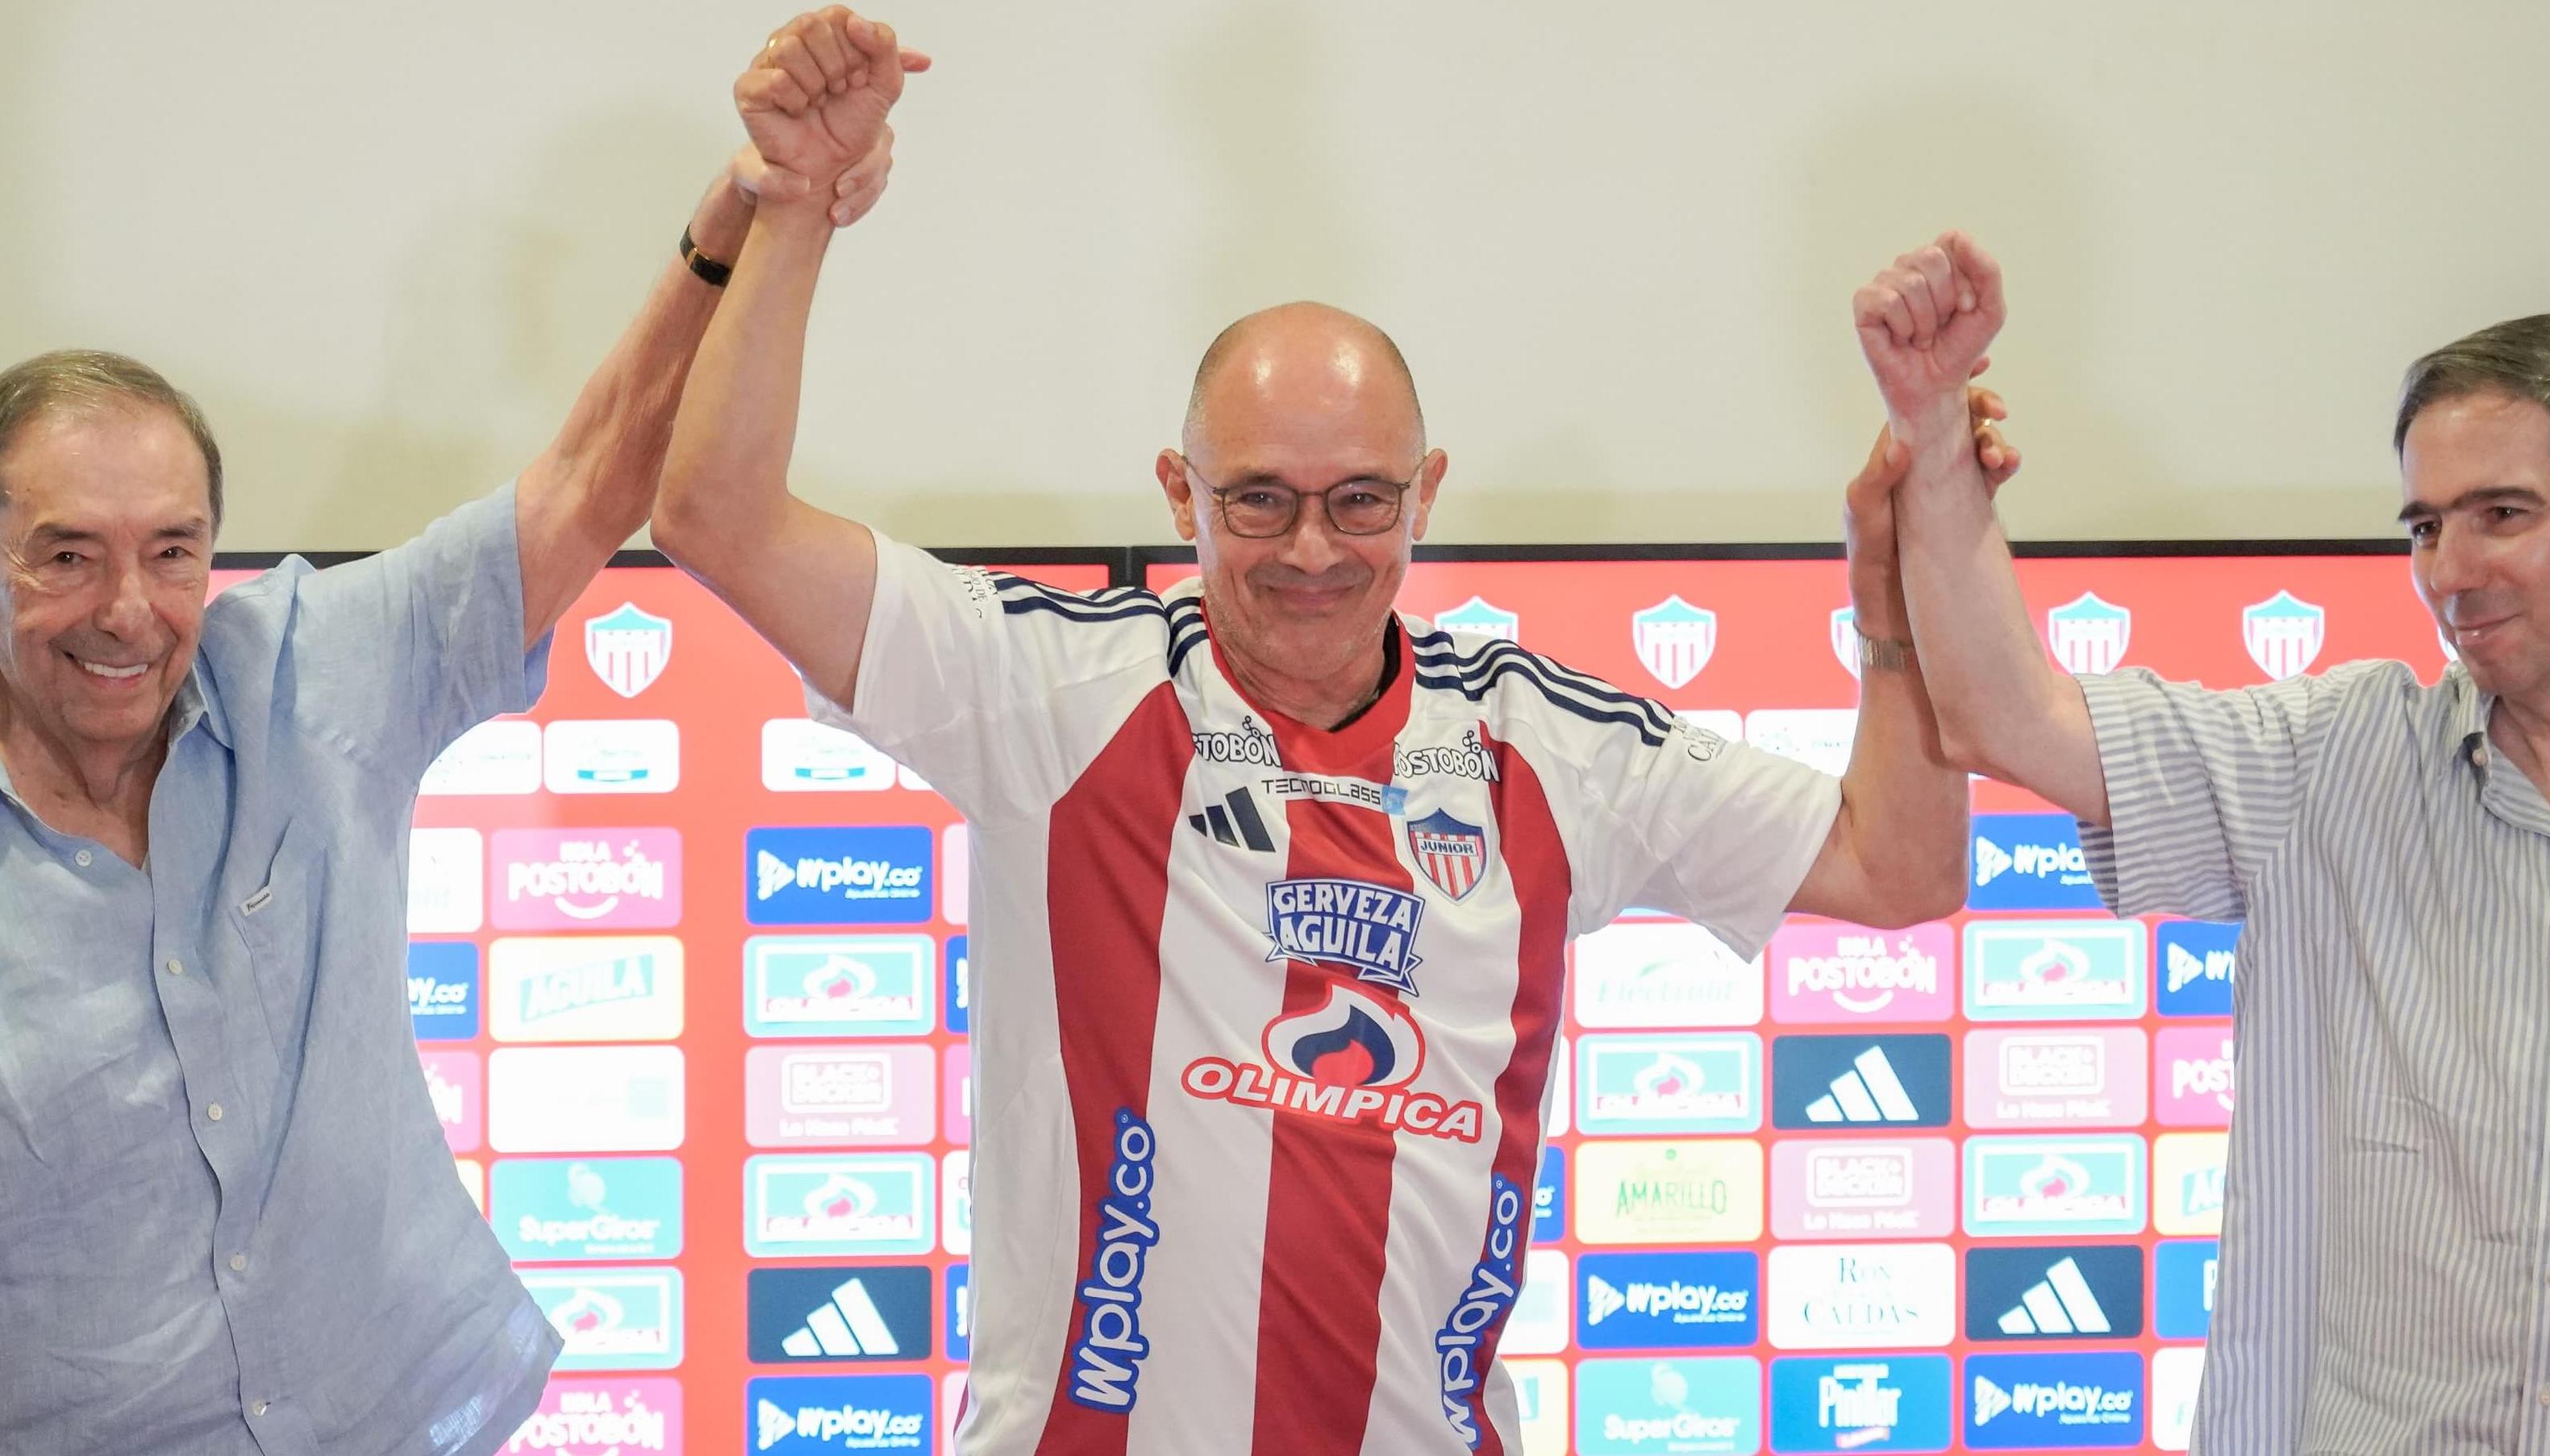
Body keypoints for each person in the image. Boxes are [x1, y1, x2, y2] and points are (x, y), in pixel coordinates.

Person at [654, 16, 2013, 1451]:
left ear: (1426, 493)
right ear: (1178, 491)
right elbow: (714, 519)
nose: (1312, 549)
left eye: (1359, 499)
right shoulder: (1049, 689)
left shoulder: (1543, 746)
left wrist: (1900, 595)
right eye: (1258, 499)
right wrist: (791, 201)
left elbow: (1902, 866)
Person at [0, 14, 922, 1454]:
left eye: (172, 552)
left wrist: (751, 202)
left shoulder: (303, 672)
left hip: (406, 1417)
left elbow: (594, 474)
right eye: (67, 555)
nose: (130, 609)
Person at [1859, 231, 2550, 1450]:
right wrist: (1931, 429)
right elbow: (2007, 718)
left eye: (2501, 514)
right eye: (2423, 527)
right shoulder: (2335, 759)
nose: (2451, 572)